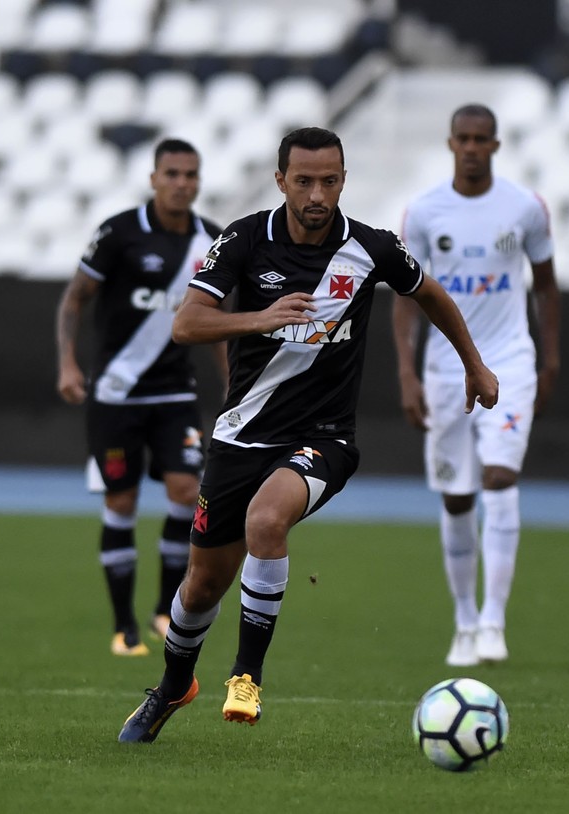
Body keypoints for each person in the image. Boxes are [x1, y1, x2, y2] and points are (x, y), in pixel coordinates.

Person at [118, 126, 499, 743]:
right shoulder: (244, 237)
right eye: (304, 181)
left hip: (324, 436)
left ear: (344, 180)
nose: (317, 194)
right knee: (201, 586)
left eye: (329, 180)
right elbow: (187, 323)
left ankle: (246, 677)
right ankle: (172, 687)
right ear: (281, 182)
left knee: (267, 522)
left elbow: (430, 292)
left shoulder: (370, 247)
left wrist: (473, 363)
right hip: (242, 435)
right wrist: (260, 318)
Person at [392, 104, 561, 667]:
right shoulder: (423, 212)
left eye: (480, 139)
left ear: (495, 145)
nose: (470, 147)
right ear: (449, 144)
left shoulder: (524, 207)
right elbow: (406, 298)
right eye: (462, 138)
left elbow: (547, 284)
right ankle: (464, 621)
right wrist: (407, 372)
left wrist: (550, 354)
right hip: (443, 371)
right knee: (458, 496)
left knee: (500, 477)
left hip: (509, 361)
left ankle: (494, 622)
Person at [55, 138, 226, 657]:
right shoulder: (120, 232)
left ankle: (162, 609)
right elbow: (74, 299)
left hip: (175, 395)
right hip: (116, 395)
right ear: (153, 178)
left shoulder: (212, 241)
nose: (181, 183)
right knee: (122, 501)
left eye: (190, 174)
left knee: (184, 493)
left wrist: (231, 386)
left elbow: (217, 324)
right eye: (171, 173)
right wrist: (67, 361)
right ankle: (123, 624)